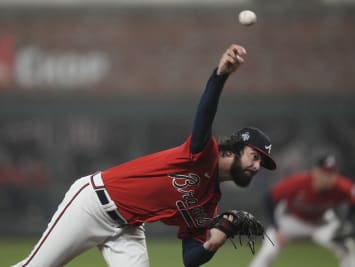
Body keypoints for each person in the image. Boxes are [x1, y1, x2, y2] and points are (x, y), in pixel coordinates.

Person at [13, 44, 277, 267]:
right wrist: (220, 75)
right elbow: (205, 114)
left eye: (262, 163)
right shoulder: (201, 154)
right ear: (236, 148)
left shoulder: (209, 203)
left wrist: (214, 242)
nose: (257, 166)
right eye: (255, 156)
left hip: (128, 228)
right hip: (93, 204)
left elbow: (190, 258)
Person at [249, 154, 355, 267]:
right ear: (315, 172)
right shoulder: (299, 182)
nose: (328, 177)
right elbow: (269, 198)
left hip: (321, 221)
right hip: (290, 220)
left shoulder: (341, 186)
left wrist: (346, 221)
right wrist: (276, 227)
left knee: (347, 247)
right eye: (325, 173)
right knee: (268, 251)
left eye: (332, 173)